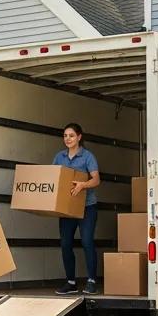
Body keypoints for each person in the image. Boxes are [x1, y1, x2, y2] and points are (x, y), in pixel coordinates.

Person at [53, 123, 101, 295]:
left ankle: (91, 280)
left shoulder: (87, 156)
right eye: (65, 135)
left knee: (87, 242)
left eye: (71, 135)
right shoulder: (59, 157)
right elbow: (53, 178)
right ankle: (71, 282)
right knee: (65, 244)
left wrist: (83, 185)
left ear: (79, 137)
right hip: (67, 208)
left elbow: (96, 180)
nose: (68, 139)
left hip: (87, 206)